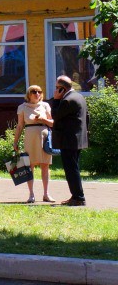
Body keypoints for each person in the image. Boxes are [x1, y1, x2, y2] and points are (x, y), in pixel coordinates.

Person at [50, 75, 88, 206]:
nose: (55, 91)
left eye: (57, 88)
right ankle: (76, 196)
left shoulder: (67, 100)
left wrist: (56, 100)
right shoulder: (79, 97)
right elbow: (87, 118)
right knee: (73, 168)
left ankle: (78, 198)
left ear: (62, 88)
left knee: (71, 170)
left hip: (68, 140)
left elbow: (55, 115)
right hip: (77, 139)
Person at [13, 85, 54, 203]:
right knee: (29, 166)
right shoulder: (22, 107)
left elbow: (52, 123)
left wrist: (43, 119)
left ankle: (46, 194)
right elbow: (20, 125)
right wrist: (15, 141)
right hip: (30, 138)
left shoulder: (45, 105)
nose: (37, 94)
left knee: (45, 165)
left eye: (39, 91)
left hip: (44, 137)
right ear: (28, 94)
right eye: (34, 92)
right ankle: (31, 195)